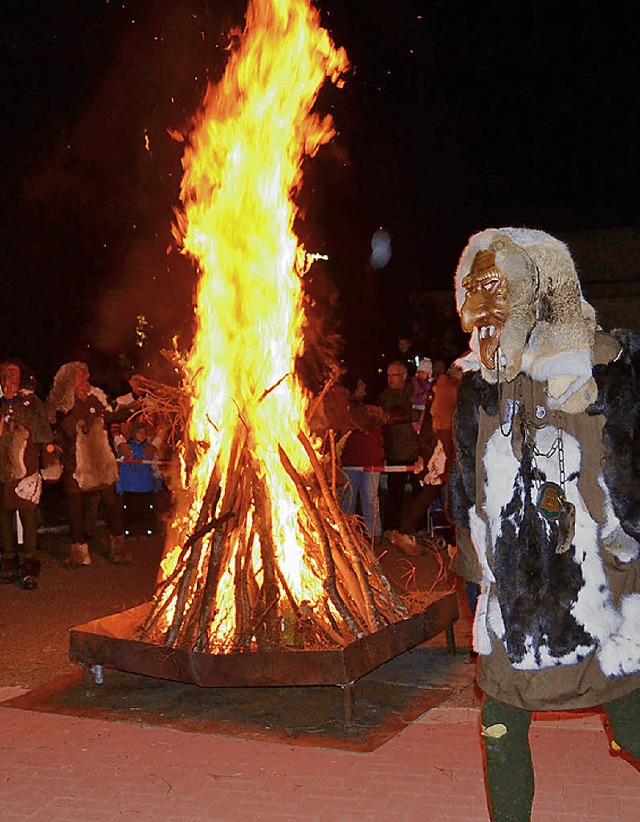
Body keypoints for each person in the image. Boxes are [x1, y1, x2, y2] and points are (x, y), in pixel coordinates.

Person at [447, 227, 639, 820]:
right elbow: (469, 481)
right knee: (501, 722)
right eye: (472, 288)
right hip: (515, 594)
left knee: (630, 716)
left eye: (495, 288)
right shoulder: (480, 383)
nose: (484, 313)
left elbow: (629, 481)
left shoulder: (602, 369)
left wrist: (621, 546)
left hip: (599, 593)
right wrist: (477, 569)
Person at [48, 361, 128, 567]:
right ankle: (79, 551)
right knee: (75, 506)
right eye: (80, 376)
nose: (86, 379)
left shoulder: (96, 398)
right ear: (70, 380)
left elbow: (110, 416)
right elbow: (64, 430)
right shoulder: (62, 404)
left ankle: (118, 545)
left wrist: (134, 409)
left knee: (112, 502)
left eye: (86, 375)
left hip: (101, 460)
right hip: (76, 463)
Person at [0, 361, 59, 588]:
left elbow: (44, 435)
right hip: (3, 470)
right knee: (4, 513)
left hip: (27, 466)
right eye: (6, 375)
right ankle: (8, 561)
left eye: (14, 375)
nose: (10, 379)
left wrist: (50, 461)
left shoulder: (31, 403)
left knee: (27, 514)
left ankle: (29, 565)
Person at [339, 378, 385, 539]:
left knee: (369, 500)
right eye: (360, 384)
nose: (364, 386)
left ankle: (373, 534)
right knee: (348, 502)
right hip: (351, 462)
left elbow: (373, 426)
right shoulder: (346, 409)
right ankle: (348, 535)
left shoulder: (372, 409)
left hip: (371, 462)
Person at [377, 361, 420, 531]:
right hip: (395, 452)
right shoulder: (385, 396)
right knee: (395, 493)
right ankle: (391, 528)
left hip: (416, 451)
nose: (389, 379)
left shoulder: (415, 391)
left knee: (419, 492)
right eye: (388, 375)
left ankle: (417, 527)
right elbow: (387, 416)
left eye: (393, 375)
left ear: (403, 376)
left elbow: (420, 412)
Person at [115, 420, 166, 537]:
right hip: (130, 488)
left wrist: (157, 484)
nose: (142, 435)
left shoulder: (149, 449)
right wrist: (119, 486)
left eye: (144, 432)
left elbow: (155, 468)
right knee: (130, 514)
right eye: (139, 432)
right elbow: (119, 469)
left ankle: (146, 534)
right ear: (134, 434)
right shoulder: (126, 449)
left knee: (146, 514)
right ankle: (130, 534)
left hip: (145, 487)